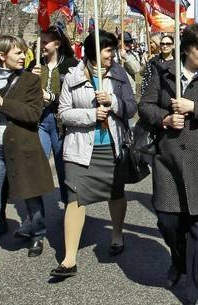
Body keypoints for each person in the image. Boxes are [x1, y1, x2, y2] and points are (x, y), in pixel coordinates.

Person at [139, 23, 198, 305]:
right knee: (169, 221)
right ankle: (178, 260)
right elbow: (145, 106)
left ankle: (196, 290)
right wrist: (164, 119)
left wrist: (194, 108)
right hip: (168, 161)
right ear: (187, 49)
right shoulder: (162, 71)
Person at [0, 35, 52, 288]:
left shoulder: (31, 80)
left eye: (23, 52)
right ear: (2, 55)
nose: (22, 56)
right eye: (17, 53)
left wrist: (4, 103)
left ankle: (37, 233)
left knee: (30, 194)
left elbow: (33, 114)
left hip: (21, 145)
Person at [51, 31, 136, 279]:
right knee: (75, 198)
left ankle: (117, 235)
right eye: (107, 49)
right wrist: (90, 115)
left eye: (112, 49)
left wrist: (113, 102)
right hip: (80, 149)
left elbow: (131, 108)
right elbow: (63, 113)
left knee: (116, 193)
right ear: (93, 51)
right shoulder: (73, 76)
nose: (112, 54)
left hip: (112, 146)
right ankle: (69, 259)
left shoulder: (120, 75)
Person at [31, 26, 79, 205]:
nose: (41, 46)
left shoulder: (71, 65)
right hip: (40, 122)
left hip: (61, 124)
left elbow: (76, 98)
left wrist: (51, 96)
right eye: (39, 42)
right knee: (37, 167)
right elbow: (23, 95)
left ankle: (70, 208)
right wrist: (29, 77)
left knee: (63, 168)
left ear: (57, 44)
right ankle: (36, 217)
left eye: (44, 42)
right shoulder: (35, 64)